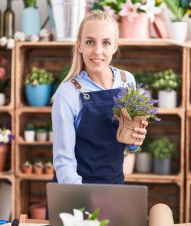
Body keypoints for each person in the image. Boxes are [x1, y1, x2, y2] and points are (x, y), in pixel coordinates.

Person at [52, 10, 148, 185]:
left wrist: (135, 139)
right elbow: (63, 161)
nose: (98, 51)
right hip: (75, 190)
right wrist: (81, 199)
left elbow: (131, 144)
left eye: (106, 43)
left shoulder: (127, 81)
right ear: (79, 45)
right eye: (90, 42)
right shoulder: (67, 93)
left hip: (115, 185)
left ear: (115, 46)